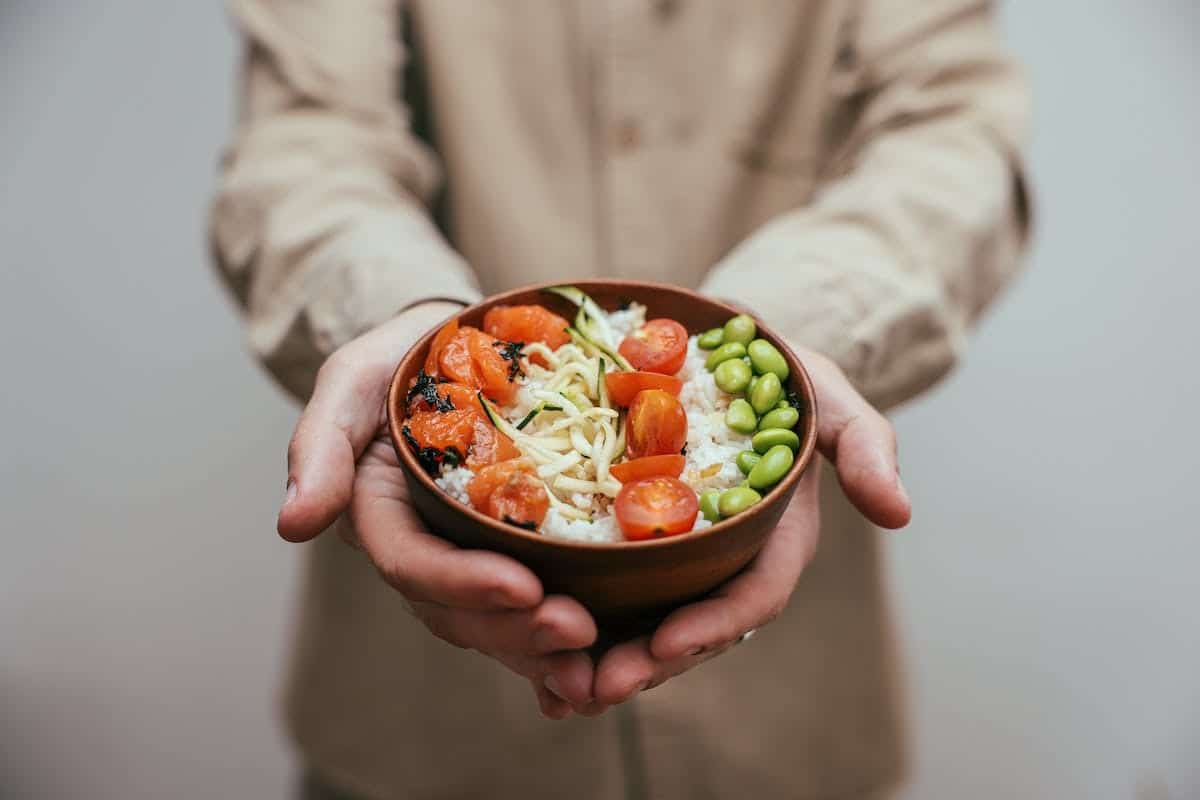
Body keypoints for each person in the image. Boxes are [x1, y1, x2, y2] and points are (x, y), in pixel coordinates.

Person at [210, 1, 1030, 797]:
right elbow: (307, 144)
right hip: (421, 728)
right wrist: (401, 320)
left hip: (787, 727)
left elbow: (953, 138)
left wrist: (774, 337)